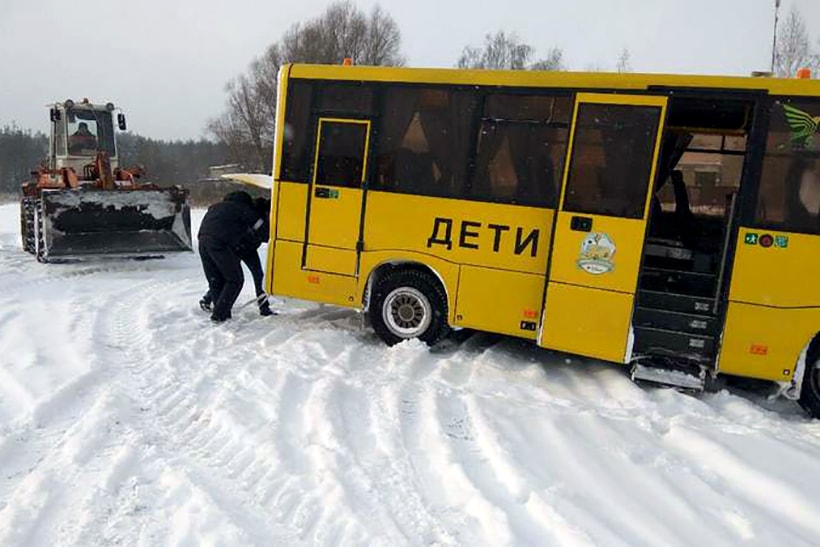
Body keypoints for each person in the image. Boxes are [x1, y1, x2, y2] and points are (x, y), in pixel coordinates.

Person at [197, 191, 266, 322]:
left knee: (216, 280)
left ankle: (219, 314)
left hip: (203, 241)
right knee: (235, 280)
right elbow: (262, 228)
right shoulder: (243, 209)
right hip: (223, 244)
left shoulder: (216, 206)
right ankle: (219, 314)